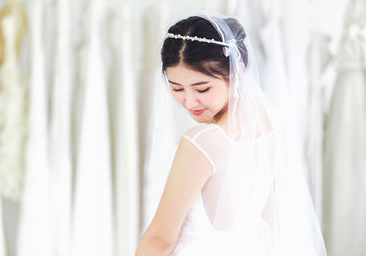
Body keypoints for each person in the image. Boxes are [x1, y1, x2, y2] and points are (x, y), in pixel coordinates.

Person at [135, 13, 327, 256]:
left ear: (235, 71)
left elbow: (161, 239)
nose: (189, 101)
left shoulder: (202, 143)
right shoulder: (269, 124)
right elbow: (276, 223)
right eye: (176, 88)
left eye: (202, 88)